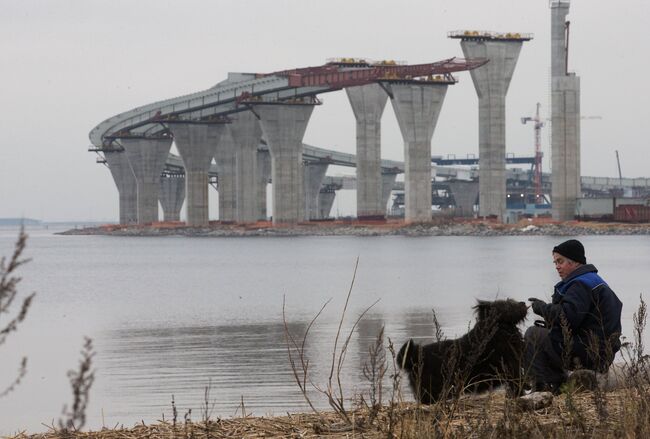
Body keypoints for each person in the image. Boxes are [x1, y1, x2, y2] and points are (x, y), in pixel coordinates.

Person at [525, 239, 623, 392]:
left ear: (575, 262)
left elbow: (567, 317)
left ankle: (544, 386)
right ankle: (557, 382)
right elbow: (580, 319)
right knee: (547, 333)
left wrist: (542, 308)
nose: (557, 266)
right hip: (600, 354)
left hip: (587, 354)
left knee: (533, 334)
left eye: (560, 261)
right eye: (555, 262)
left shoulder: (580, 284)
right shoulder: (594, 281)